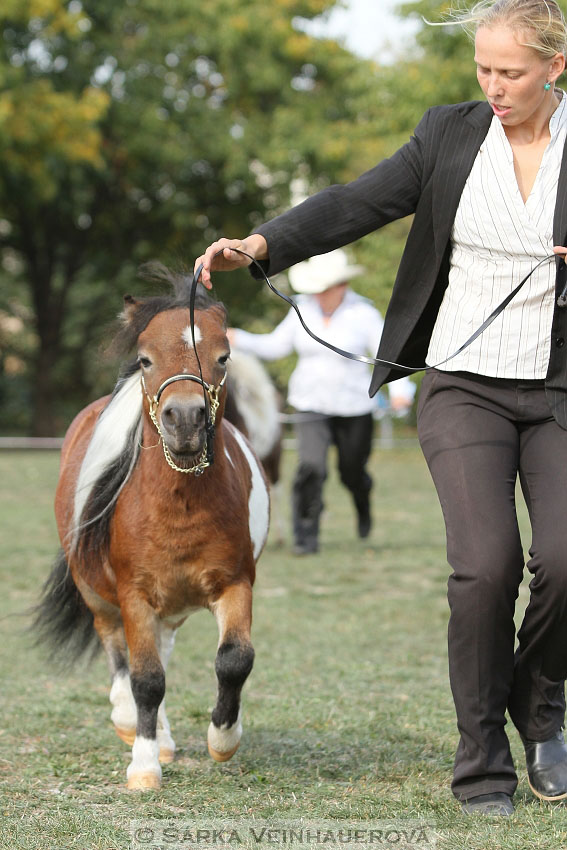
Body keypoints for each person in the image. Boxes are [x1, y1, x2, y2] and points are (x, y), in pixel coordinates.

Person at [195, 0, 567, 816]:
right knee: (485, 568)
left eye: (511, 72)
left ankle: (540, 705)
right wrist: (262, 243)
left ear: (554, 67)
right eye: (483, 69)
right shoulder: (449, 134)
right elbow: (356, 201)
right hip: (462, 384)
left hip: (558, 389)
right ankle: (481, 763)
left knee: (565, 560)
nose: (493, 86)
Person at [227, 248, 415, 555]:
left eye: (323, 288)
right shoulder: (302, 308)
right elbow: (276, 346)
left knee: (352, 470)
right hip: (310, 404)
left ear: (341, 286)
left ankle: (362, 499)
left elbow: (387, 354)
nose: (317, 294)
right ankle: (305, 536)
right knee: (311, 467)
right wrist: (239, 338)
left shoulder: (364, 314)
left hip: (355, 407)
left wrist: (400, 391)